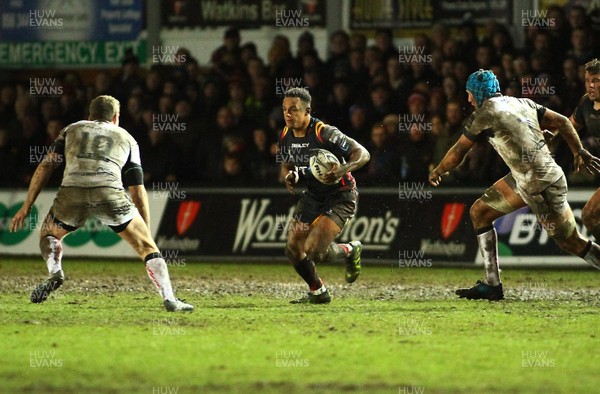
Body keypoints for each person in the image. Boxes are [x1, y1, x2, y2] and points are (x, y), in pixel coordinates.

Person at [9, 95, 193, 312]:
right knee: (148, 249)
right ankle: (169, 298)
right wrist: (145, 229)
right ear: (116, 117)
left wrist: (27, 205)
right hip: (109, 192)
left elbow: (45, 166)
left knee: (48, 234)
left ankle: (55, 271)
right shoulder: (127, 138)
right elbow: (136, 189)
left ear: (89, 115)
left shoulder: (71, 129)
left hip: (72, 191)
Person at [428, 69, 600, 301]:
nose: (468, 100)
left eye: (470, 94)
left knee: (572, 242)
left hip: (542, 185)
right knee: (480, 211)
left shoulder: (484, 114)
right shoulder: (522, 102)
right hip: (526, 179)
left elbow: (459, 151)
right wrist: (578, 151)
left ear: (478, 94)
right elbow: (561, 121)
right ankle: (492, 284)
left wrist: (438, 170)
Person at [279, 87, 370, 304]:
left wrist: (343, 168)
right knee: (293, 247)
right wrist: (290, 176)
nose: (288, 114)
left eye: (293, 110)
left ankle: (350, 250)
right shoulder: (285, 134)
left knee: (314, 251)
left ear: (307, 110)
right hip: (313, 196)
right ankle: (318, 292)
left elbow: (363, 154)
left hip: (341, 196)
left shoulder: (324, 132)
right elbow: (286, 164)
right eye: (284, 109)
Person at [569, 59, 600, 238]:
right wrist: (577, 150)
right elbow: (569, 126)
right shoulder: (585, 103)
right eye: (587, 81)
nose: (590, 85)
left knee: (588, 214)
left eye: (596, 80)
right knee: (589, 217)